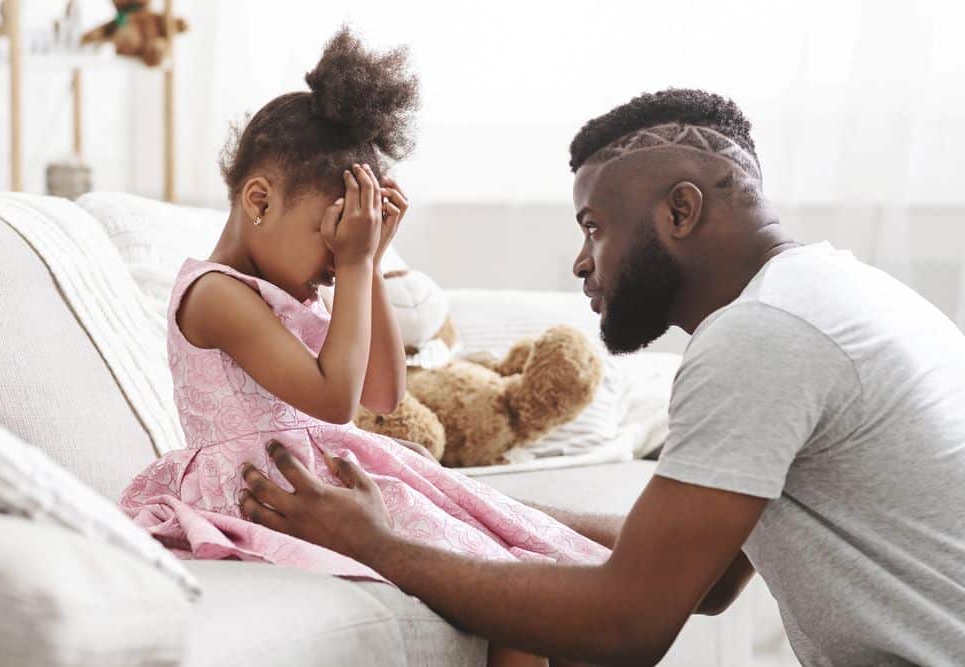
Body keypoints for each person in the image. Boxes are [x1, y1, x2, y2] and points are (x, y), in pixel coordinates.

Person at [238, 89, 965, 666]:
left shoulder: (762, 334)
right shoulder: (840, 294)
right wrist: (456, 505)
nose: (582, 262)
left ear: (680, 210)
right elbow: (708, 576)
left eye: (594, 226)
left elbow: (628, 622)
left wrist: (381, 546)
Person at [119, 27, 607, 667]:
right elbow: (331, 400)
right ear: (259, 200)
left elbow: (381, 392)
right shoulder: (214, 295)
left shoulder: (294, 286)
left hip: (324, 480)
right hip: (271, 494)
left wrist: (369, 263)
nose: (337, 259)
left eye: (352, 238)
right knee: (511, 601)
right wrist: (352, 267)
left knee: (532, 579)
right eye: (333, 237)